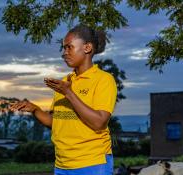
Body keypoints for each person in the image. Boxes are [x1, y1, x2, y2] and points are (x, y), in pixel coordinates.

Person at [11, 24, 117, 175]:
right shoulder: (65, 82)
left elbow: (99, 122)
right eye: (63, 48)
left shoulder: (104, 80)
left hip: (92, 163)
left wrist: (69, 93)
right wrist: (35, 109)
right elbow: (57, 122)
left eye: (69, 47)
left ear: (87, 48)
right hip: (62, 165)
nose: (64, 53)